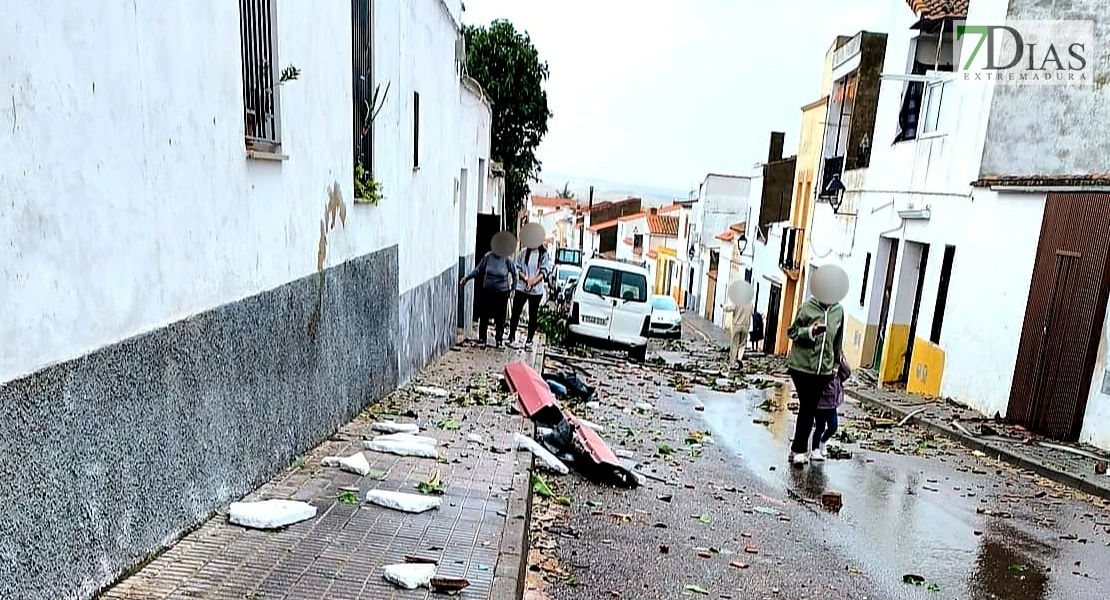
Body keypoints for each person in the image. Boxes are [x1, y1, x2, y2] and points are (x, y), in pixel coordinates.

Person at [785, 293, 845, 465]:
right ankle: (799, 450)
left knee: (809, 409)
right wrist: (811, 331)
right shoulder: (807, 307)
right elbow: (793, 332)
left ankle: (797, 450)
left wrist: (834, 366)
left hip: (824, 371)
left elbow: (838, 340)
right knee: (808, 407)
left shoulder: (838, 311)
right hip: (802, 367)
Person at [460, 250, 517, 348]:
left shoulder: (507, 259)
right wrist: (467, 278)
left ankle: (499, 340)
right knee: (484, 315)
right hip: (488, 290)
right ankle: (482, 339)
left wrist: (513, 288)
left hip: (502, 292)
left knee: (500, 317)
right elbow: (479, 269)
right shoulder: (488, 257)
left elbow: (515, 273)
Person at [509, 244, 553, 350]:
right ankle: (511, 336)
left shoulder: (544, 255)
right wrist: (526, 279)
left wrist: (533, 282)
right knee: (516, 312)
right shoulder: (523, 252)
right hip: (521, 287)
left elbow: (544, 272)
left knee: (533, 315)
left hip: (536, 291)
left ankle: (529, 340)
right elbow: (517, 268)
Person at [811, 354, 851, 461]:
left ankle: (822, 443)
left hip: (832, 404)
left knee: (833, 427)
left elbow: (847, 372)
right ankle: (814, 450)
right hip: (820, 403)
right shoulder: (821, 367)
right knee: (820, 427)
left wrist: (841, 357)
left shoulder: (838, 375)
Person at [721, 298, 754, 369]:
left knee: (734, 344)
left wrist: (723, 306)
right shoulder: (750, 303)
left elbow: (729, 308)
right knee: (742, 344)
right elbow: (752, 312)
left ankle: (732, 362)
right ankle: (739, 359)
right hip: (746, 326)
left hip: (737, 325)